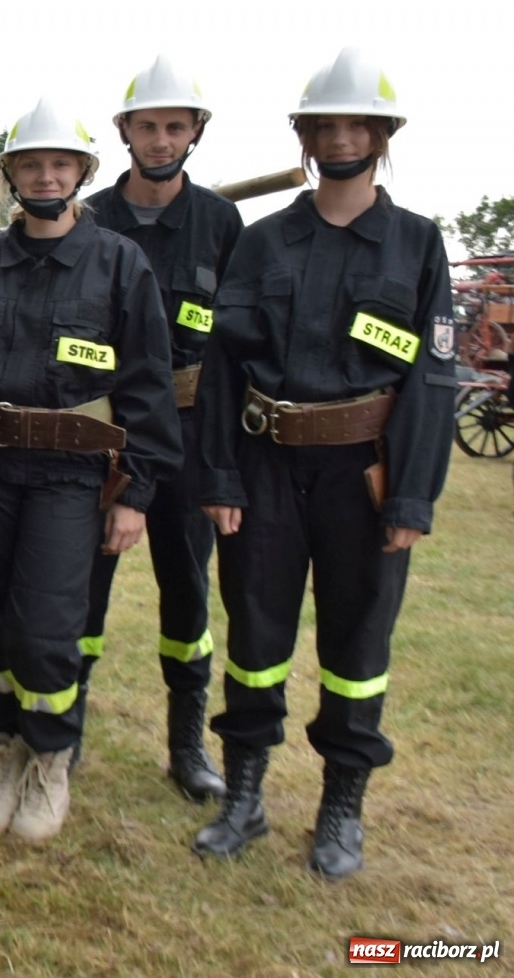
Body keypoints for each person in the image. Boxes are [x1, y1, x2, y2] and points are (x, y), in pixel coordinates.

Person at [192, 49, 454, 878]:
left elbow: (430, 380)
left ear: (381, 137)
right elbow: (225, 366)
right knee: (254, 636)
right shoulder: (264, 242)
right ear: (303, 138)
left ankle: (342, 807)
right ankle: (245, 794)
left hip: (363, 474)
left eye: (356, 124)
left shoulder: (417, 244)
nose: (340, 137)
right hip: (266, 467)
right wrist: (221, 476)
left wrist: (411, 494)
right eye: (323, 125)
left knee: (356, 641)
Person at [0, 99, 181, 842]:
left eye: (59, 165)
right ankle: (8, 755)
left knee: (47, 630)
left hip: (70, 477)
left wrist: (135, 491)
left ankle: (49, 764)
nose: (45, 176)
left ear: (81, 174)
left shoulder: (119, 265)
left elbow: (147, 386)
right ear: (10, 176)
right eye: (30, 165)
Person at [81, 57, 244, 802]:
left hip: (184, 433)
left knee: (187, 593)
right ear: (124, 132)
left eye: (174, 126)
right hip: (101, 432)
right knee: (80, 589)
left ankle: (187, 746)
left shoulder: (220, 223)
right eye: (146, 126)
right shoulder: (88, 220)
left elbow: (239, 345)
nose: (160, 138)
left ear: (195, 133)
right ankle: (68, 727)